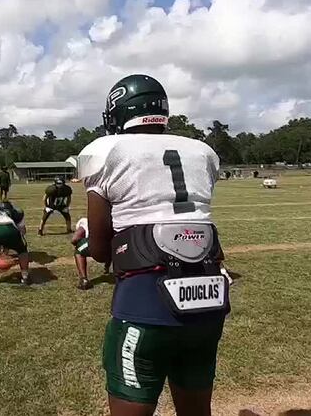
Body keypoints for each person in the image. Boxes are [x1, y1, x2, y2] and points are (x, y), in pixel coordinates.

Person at [78, 74, 229, 416]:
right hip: (208, 303)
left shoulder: (104, 150)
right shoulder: (202, 152)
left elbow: (101, 251)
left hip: (145, 301)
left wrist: (92, 229)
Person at [71, 217, 111, 290]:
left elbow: (75, 239)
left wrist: (78, 243)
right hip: (113, 247)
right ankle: (110, 270)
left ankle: (84, 279)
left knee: (78, 251)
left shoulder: (84, 221)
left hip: (97, 245)